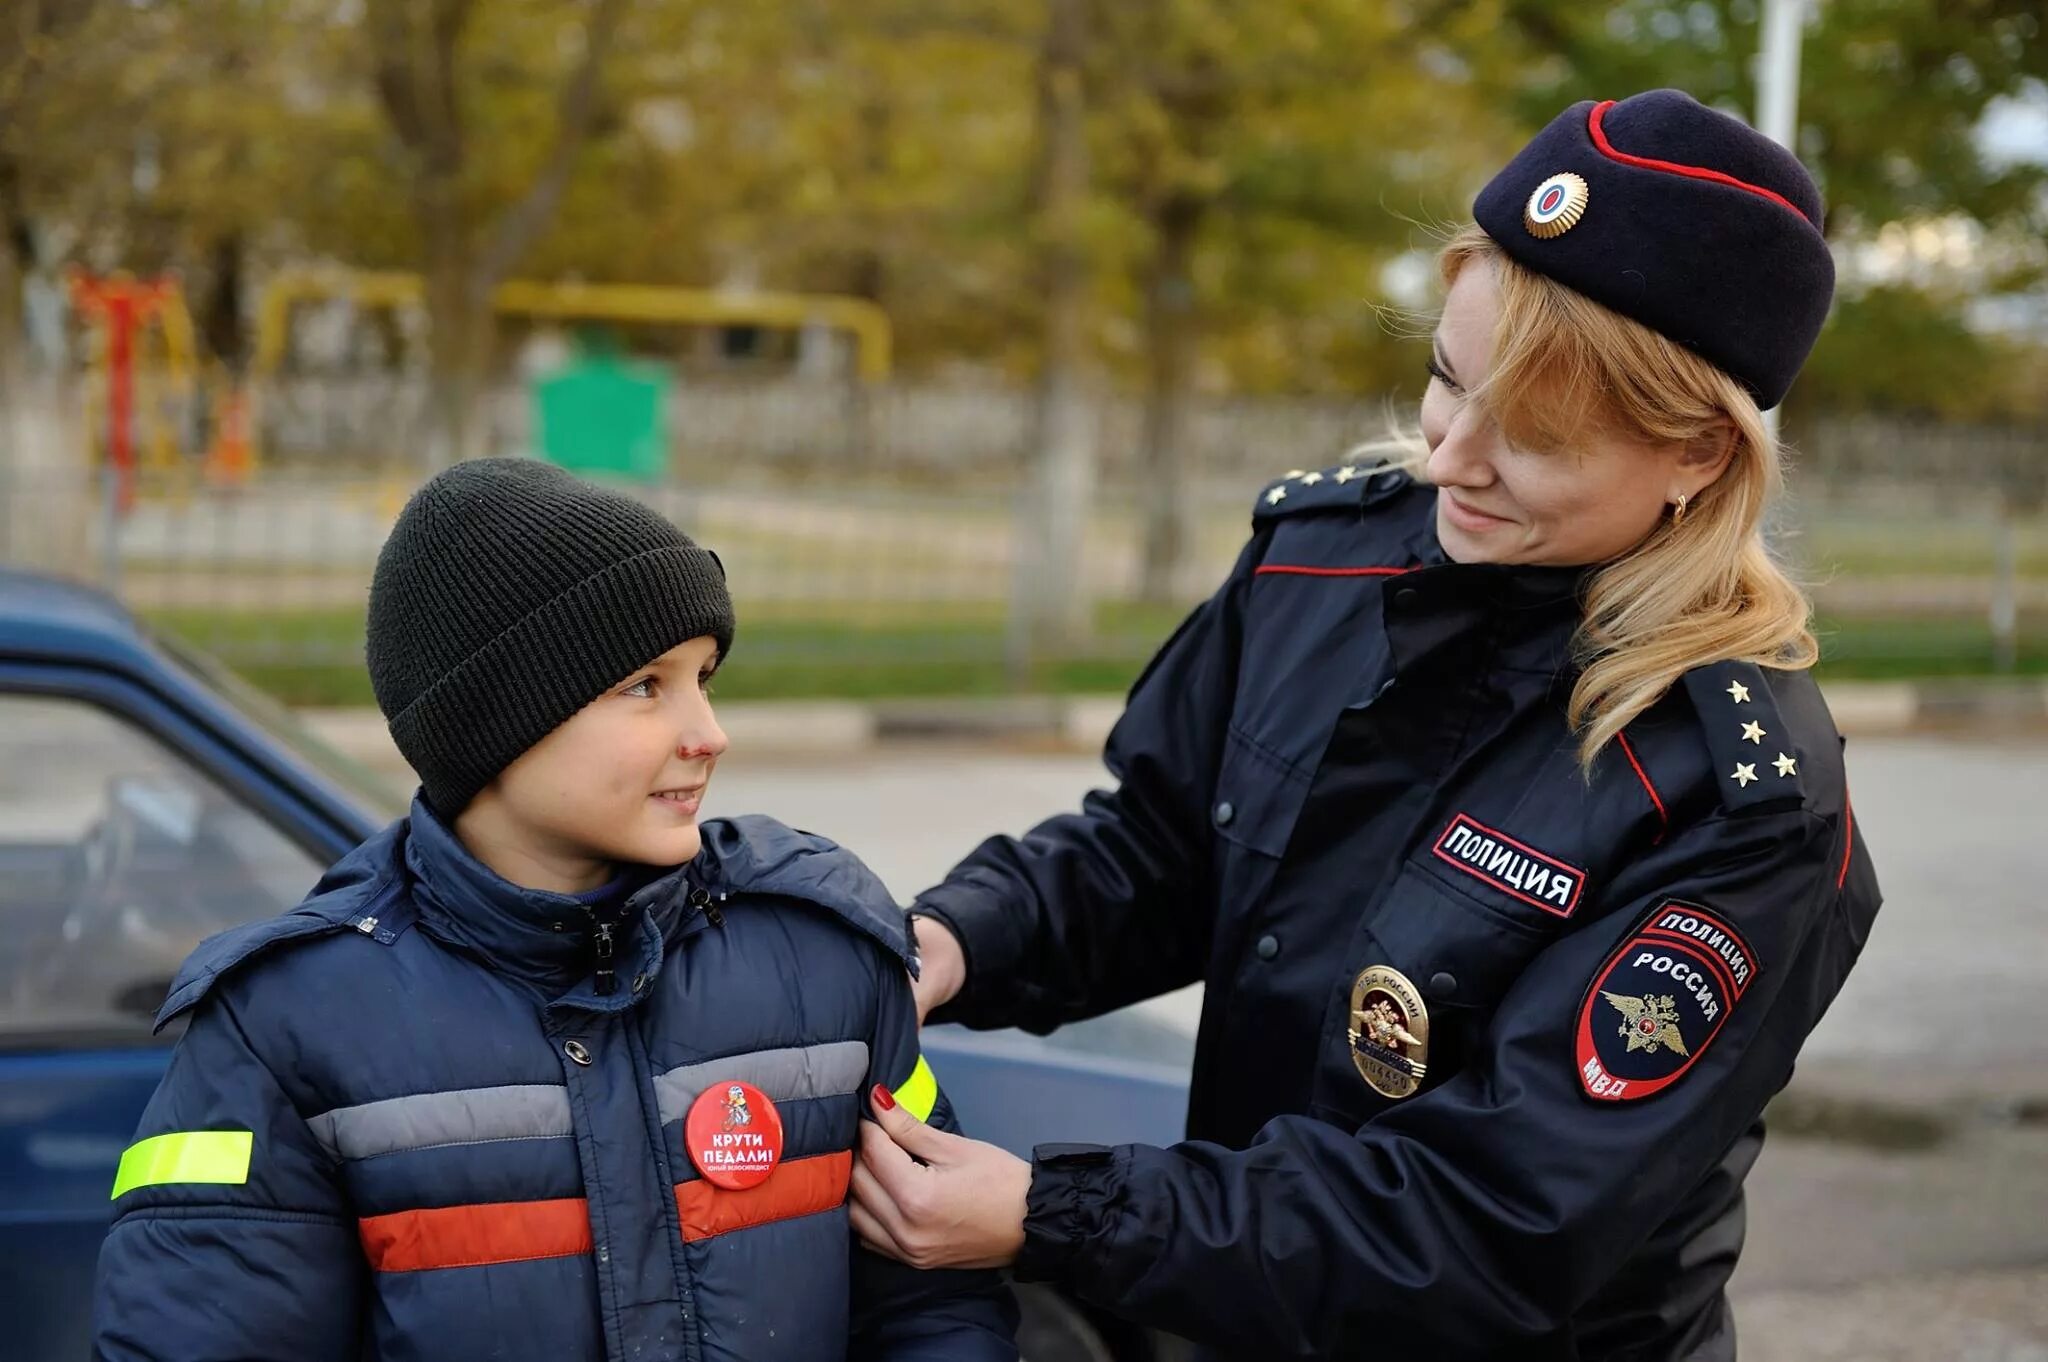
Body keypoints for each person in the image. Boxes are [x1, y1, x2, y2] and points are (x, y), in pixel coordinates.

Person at [850, 89, 1880, 1360]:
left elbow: (1491, 1223)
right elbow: (1163, 850)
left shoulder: (1736, 800)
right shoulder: (1319, 561)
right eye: (1449, 380)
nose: (1449, 460)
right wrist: (952, 939)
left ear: (1699, 461)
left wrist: (1050, 1213)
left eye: (1537, 438)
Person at [93, 458, 1018, 1362]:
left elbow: (936, 1305)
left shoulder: (820, 952)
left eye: (705, 677)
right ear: (496, 721)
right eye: (645, 686)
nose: (709, 733)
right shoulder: (285, 1027)